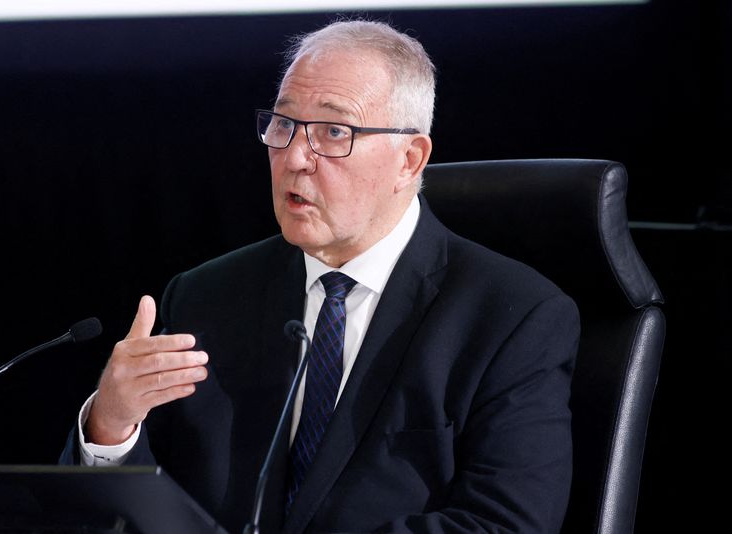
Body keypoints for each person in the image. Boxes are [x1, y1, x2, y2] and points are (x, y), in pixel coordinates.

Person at [60, 18, 580, 533]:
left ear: (409, 159)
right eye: (283, 125)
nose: (294, 157)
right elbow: (127, 515)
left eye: (335, 131)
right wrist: (111, 426)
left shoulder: (512, 317)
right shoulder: (204, 298)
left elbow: (506, 523)